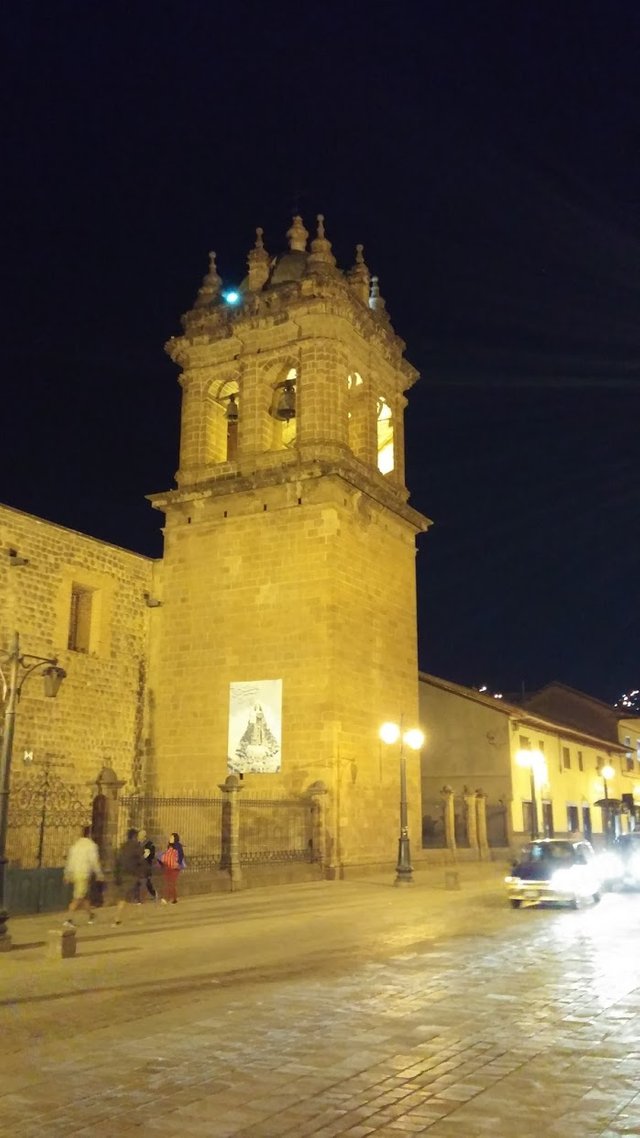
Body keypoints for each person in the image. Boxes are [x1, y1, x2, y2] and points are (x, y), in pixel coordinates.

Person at [63, 825, 104, 927]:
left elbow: (70, 861)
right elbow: (94, 861)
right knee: (78, 897)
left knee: (84, 897)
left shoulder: (75, 845)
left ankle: (91, 916)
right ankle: (69, 919)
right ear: (90, 834)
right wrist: (99, 873)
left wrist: (67, 874)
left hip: (75, 873)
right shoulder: (91, 846)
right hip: (84, 873)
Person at [112, 827, 146, 926]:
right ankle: (118, 918)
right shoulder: (136, 847)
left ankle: (131, 917)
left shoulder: (122, 847)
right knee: (129, 898)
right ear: (135, 836)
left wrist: (116, 875)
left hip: (122, 874)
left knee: (131, 897)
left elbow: (117, 862)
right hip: (132, 875)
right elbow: (142, 861)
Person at [158, 832, 185, 904]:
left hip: (175, 867)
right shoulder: (169, 846)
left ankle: (167, 898)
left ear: (175, 838)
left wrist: (177, 863)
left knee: (171, 883)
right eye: (170, 837)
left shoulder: (178, 846)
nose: (170, 838)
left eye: (172, 837)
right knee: (168, 883)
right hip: (168, 866)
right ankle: (173, 898)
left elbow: (181, 856)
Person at [138, 828, 158, 901]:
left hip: (146, 866)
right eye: (139, 835)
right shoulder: (138, 843)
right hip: (139, 866)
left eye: (140, 835)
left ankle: (153, 893)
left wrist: (144, 855)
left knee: (146, 882)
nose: (139, 836)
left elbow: (150, 855)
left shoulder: (149, 844)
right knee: (138, 881)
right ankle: (139, 898)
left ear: (144, 836)